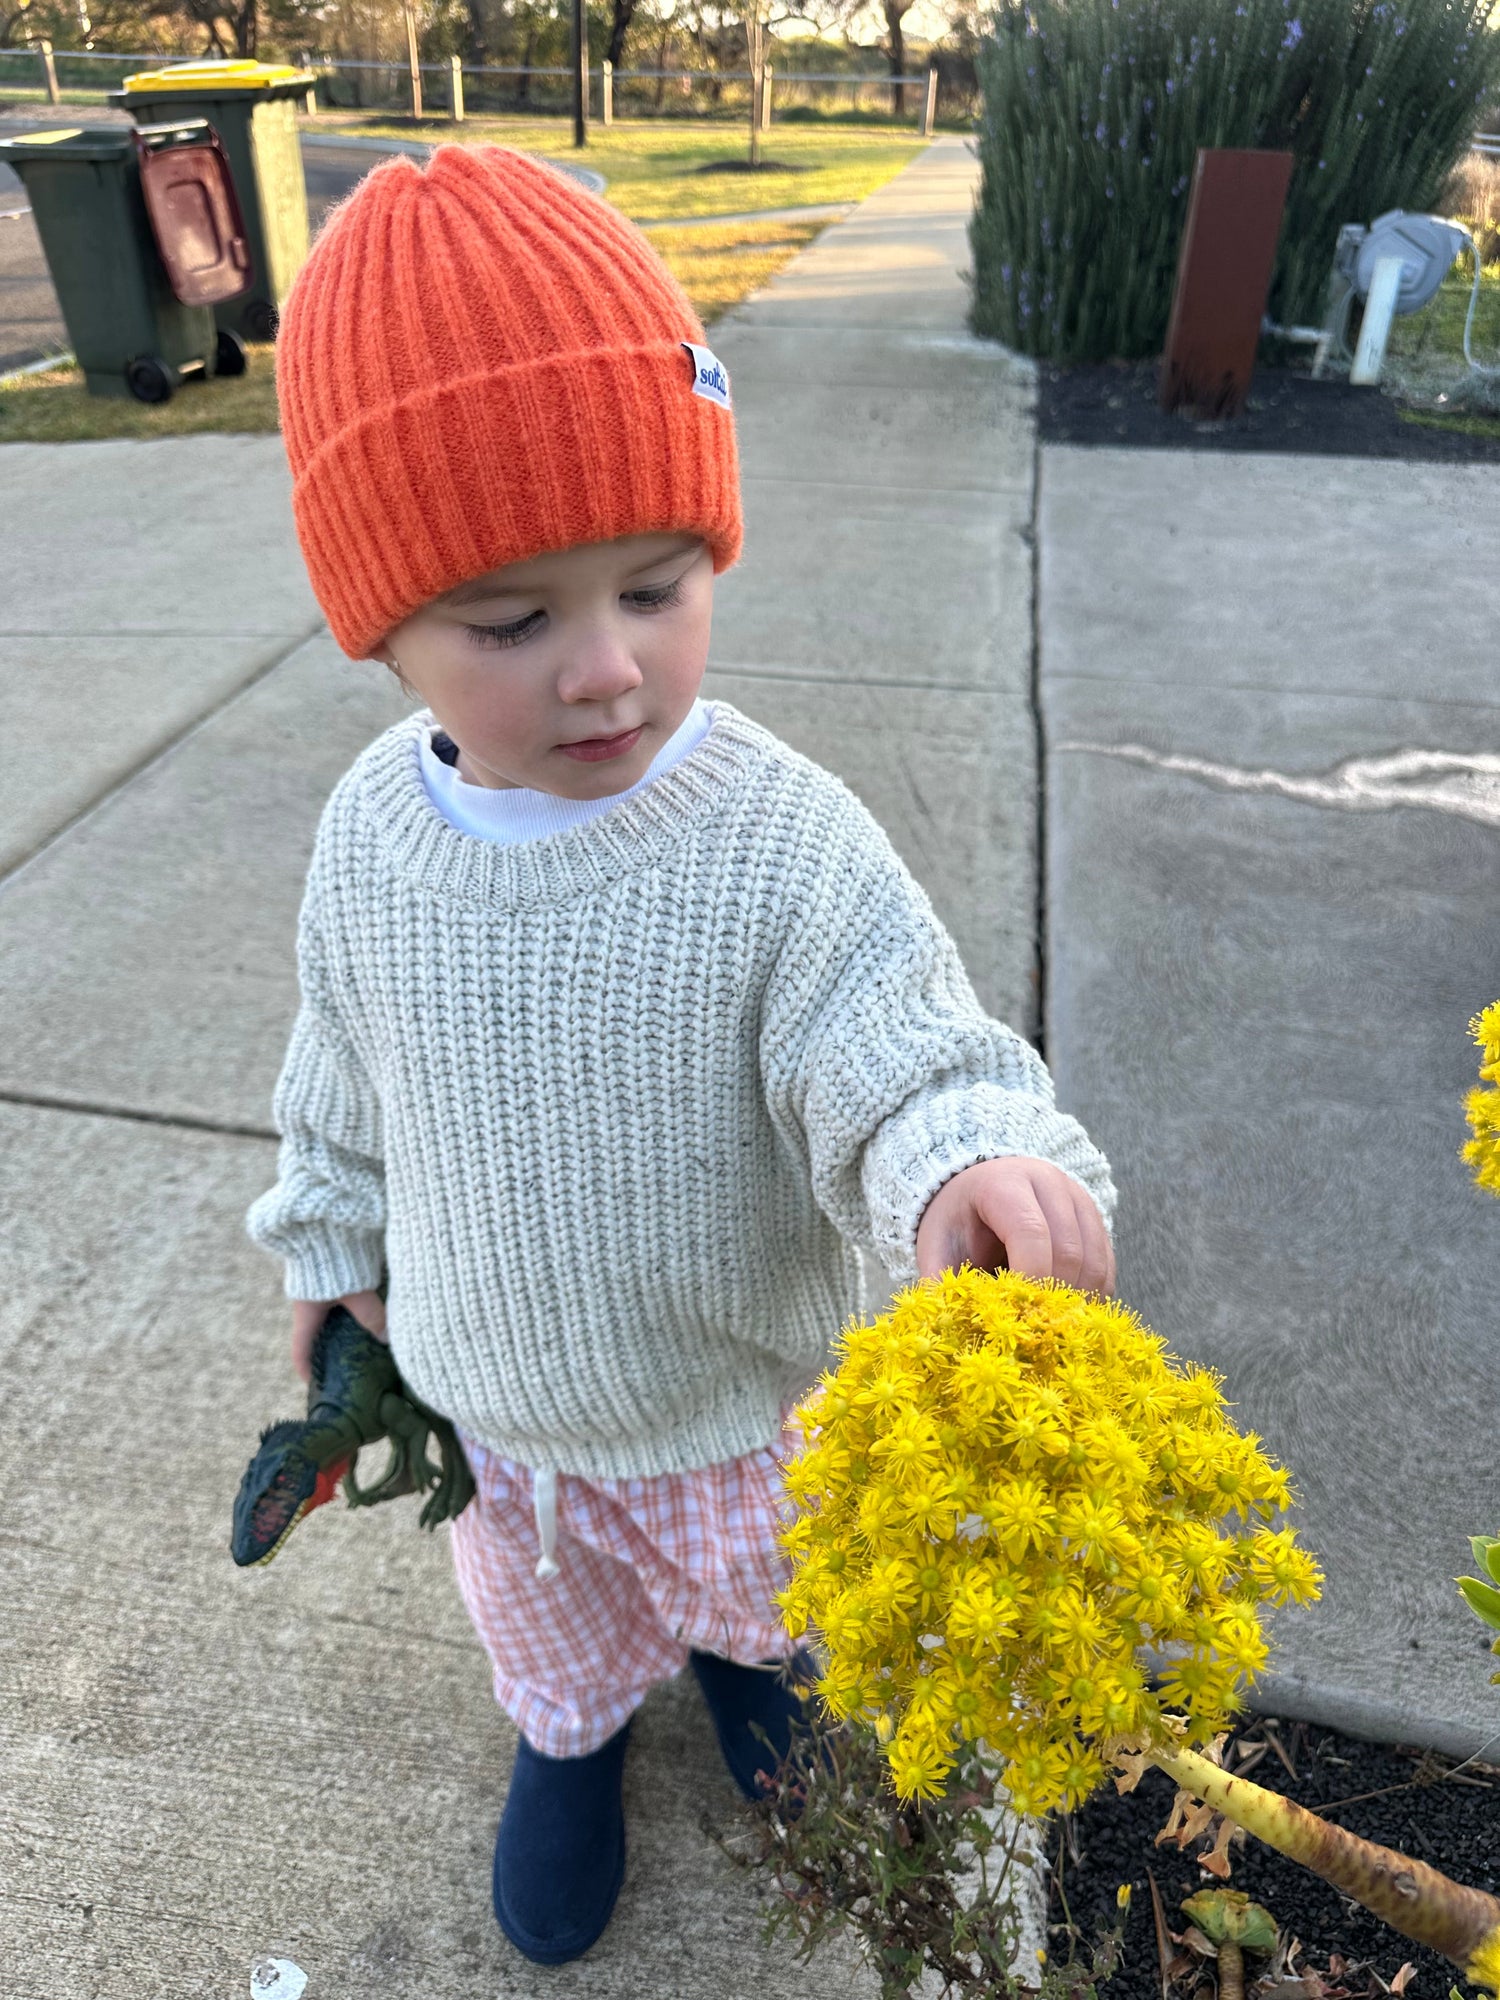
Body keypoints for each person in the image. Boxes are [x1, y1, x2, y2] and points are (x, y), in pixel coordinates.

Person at [245, 143, 1118, 1968]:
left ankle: (739, 1678)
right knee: (549, 1639)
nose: (606, 671)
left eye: (657, 585)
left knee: (769, 1615)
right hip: (507, 1426)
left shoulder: (775, 839)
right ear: (379, 627)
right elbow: (342, 1077)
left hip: (738, 1417)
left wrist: (968, 1162)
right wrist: (329, 1264)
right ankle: (568, 1748)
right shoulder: (365, 842)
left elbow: (894, 1046)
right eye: (511, 621)